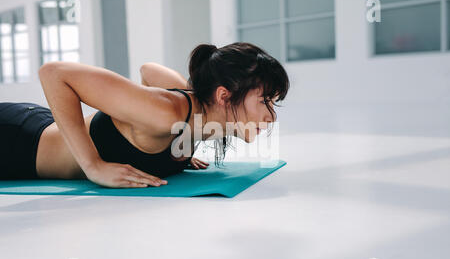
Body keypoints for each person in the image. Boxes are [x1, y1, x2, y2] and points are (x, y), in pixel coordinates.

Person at [0, 42, 290, 188]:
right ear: (224, 96)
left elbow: (148, 70)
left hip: (36, 122)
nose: (271, 117)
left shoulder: (198, 117)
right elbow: (53, 73)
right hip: (13, 143)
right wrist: (93, 166)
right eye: (265, 101)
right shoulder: (165, 114)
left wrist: (182, 146)